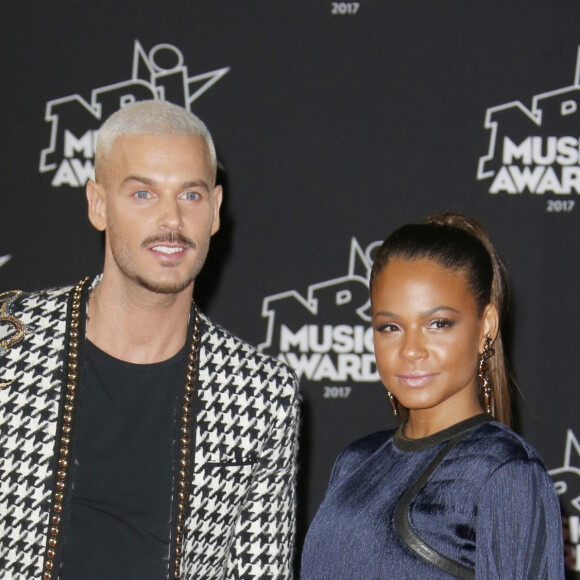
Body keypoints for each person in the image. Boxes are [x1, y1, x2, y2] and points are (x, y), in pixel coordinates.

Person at [0, 100, 299, 580]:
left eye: (191, 196)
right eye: (143, 194)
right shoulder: (10, 345)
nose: (172, 221)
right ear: (98, 204)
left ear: (216, 210)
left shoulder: (261, 394)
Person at [300, 213, 564, 579]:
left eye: (437, 324)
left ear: (486, 326)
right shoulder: (355, 462)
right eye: (390, 327)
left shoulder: (505, 473)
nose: (411, 349)